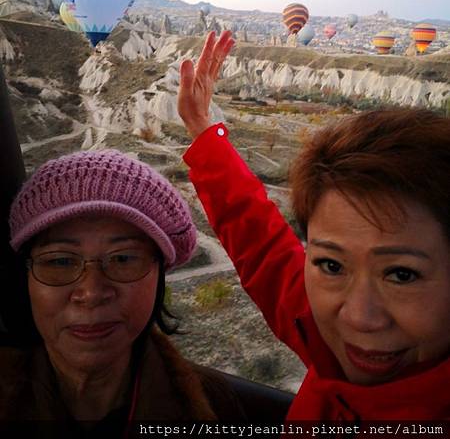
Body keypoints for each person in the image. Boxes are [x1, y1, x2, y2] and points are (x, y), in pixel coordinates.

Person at [177, 30, 450, 421]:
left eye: (401, 274)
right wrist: (203, 131)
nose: (359, 317)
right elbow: (263, 246)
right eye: (331, 264)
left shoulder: (336, 339)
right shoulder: (325, 340)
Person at [0, 149, 248, 433]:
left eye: (123, 259)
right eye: (60, 261)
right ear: (26, 276)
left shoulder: (213, 407)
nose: (91, 293)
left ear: (159, 276)